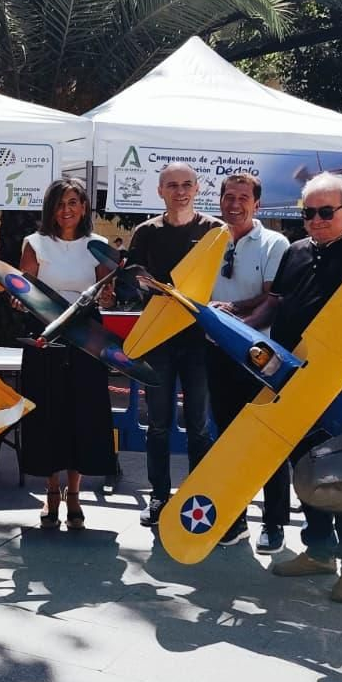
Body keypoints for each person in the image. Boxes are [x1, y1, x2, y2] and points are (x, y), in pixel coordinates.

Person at [268, 172, 342, 603]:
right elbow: (279, 304)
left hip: (341, 390)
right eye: (308, 213)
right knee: (306, 472)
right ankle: (319, 551)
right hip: (293, 382)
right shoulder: (296, 251)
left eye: (325, 212)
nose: (315, 220)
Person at [127, 162, 224, 530]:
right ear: (160, 191)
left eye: (186, 185)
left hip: (200, 343)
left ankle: (195, 496)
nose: (180, 191)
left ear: (197, 189)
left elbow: (223, 282)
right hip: (159, 342)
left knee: (199, 425)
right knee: (159, 425)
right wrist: (140, 282)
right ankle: (159, 496)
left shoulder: (216, 231)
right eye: (172, 185)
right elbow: (131, 279)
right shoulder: (145, 232)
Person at [17, 177, 115, 529]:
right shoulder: (35, 243)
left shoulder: (97, 244)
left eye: (73, 202)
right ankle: (51, 491)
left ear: (84, 207)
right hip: (46, 332)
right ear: (50, 208)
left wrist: (108, 297)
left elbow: (107, 293)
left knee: (82, 413)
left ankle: (74, 493)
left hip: (87, 335)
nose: (66, 210)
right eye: (59, 203)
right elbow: (24, 290)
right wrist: (17, 300)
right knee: (47, 412)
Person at [206, 172, 292, 552]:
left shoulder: (275, 243)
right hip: (216, 356)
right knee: (226, 440)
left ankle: (273, 523)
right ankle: (233, 517)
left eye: (243, 197)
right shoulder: (208, 241)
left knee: (266, 441)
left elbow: (272, 301)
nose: (234, 204)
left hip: (260, 358)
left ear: (257, 204)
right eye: (228, 196)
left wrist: (232, 324)